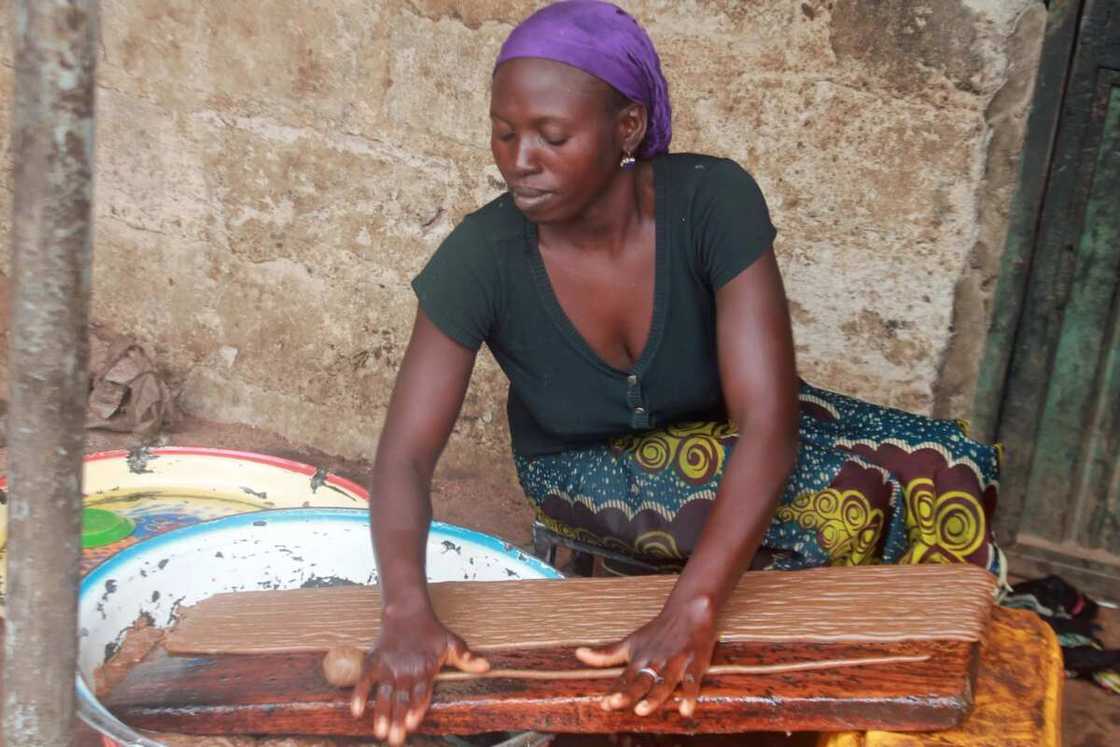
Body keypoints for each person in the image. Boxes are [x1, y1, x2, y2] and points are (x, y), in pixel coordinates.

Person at [352, 2, 1002, 744]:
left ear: (627, 128)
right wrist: (405, 607)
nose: (518, 159)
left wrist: (692, 606)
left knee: (949, 465)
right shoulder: (482, 258)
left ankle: (917, 698)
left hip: (720, 426)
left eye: (551, 136)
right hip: (581, 464)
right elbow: (404, 455)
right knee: (847, 502)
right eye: (505, 132)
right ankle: (807, 705)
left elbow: (768, 420)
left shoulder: (711, 204)